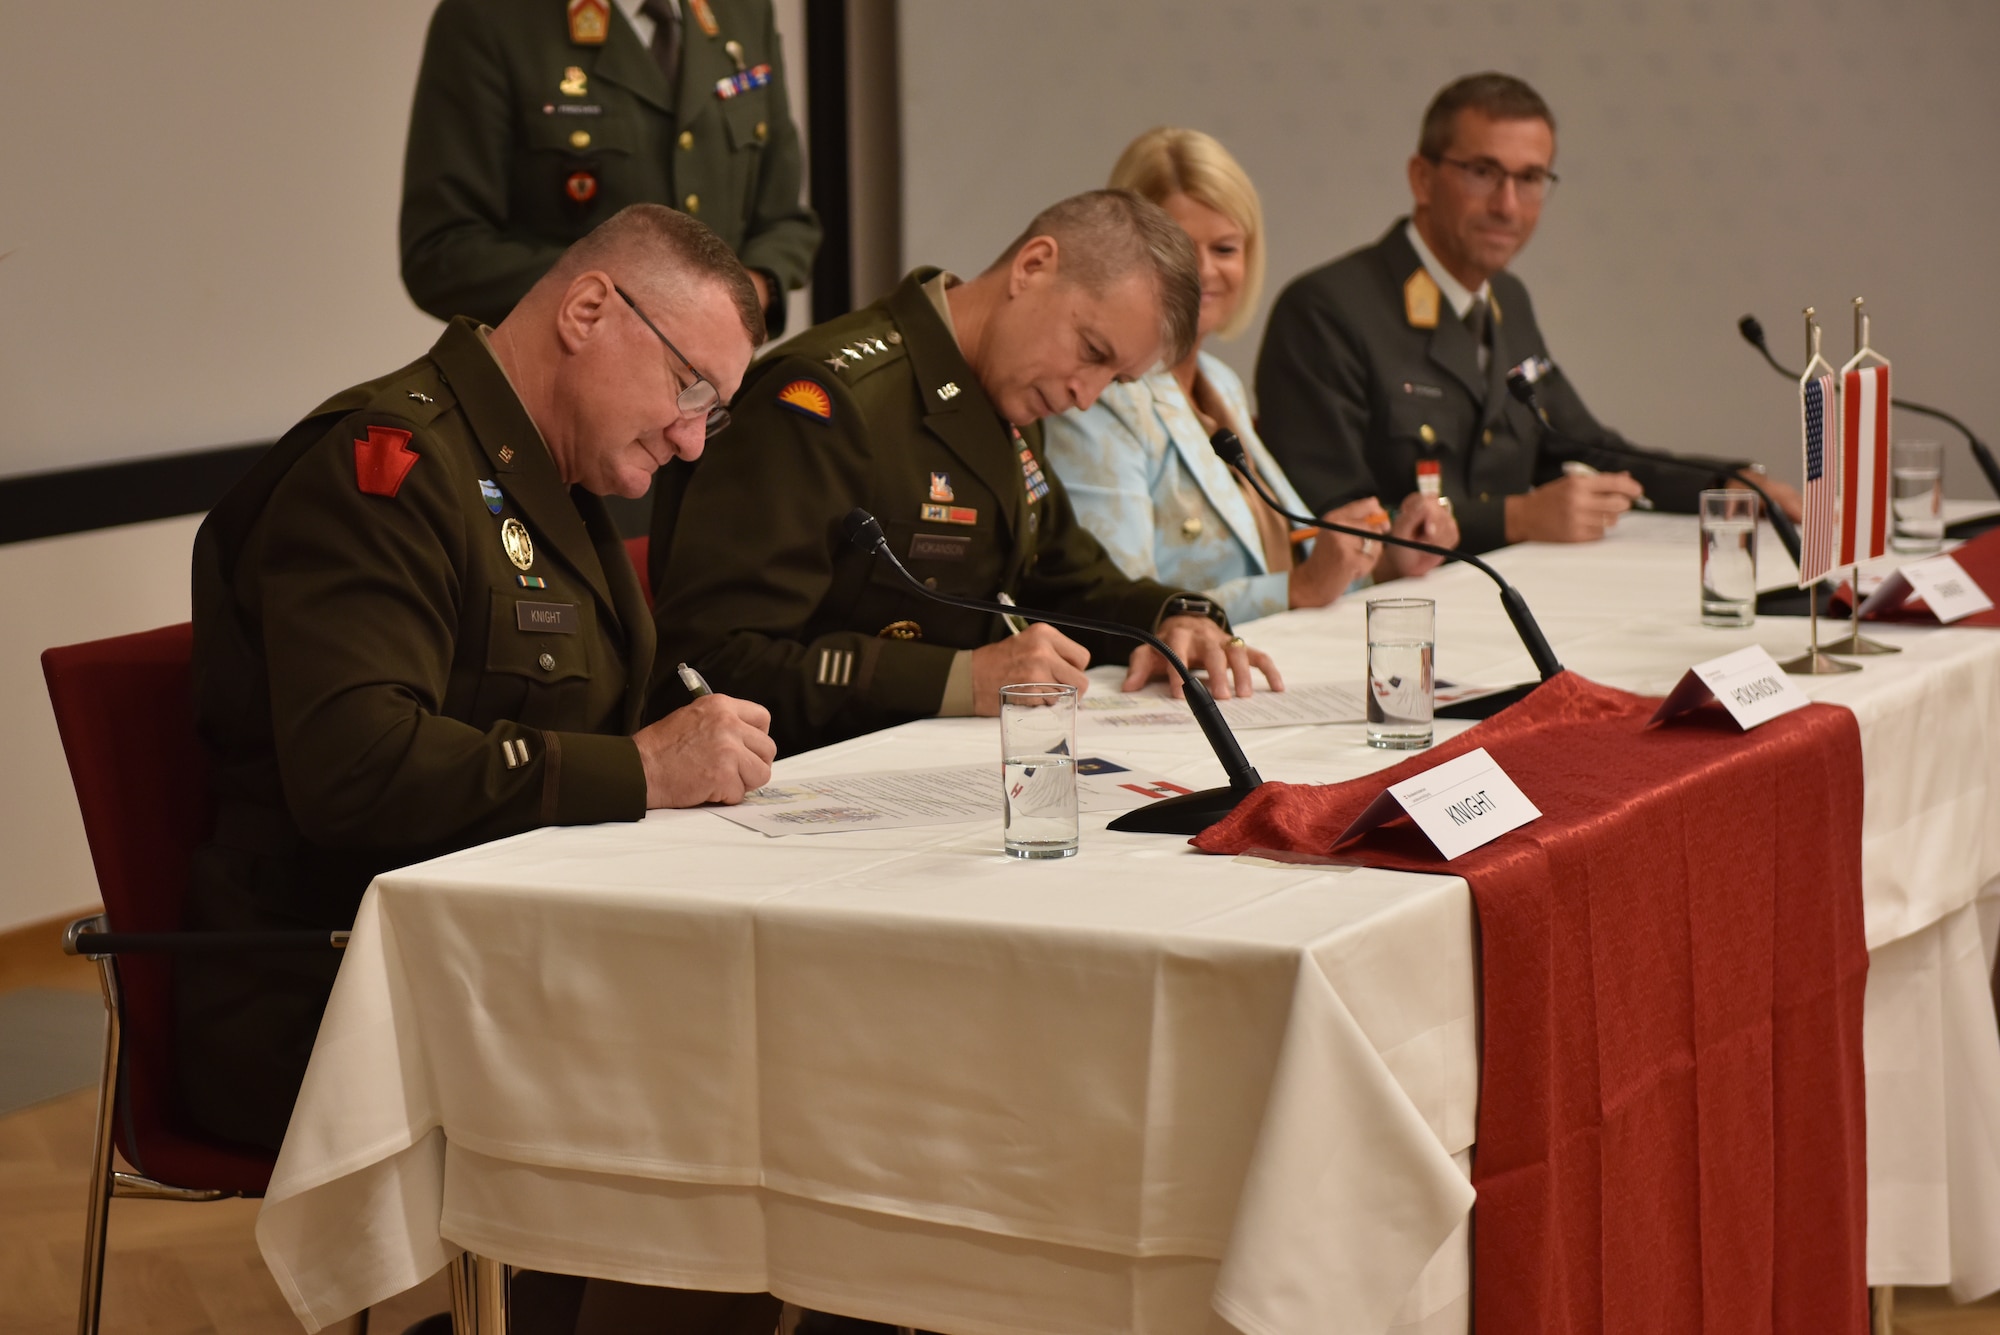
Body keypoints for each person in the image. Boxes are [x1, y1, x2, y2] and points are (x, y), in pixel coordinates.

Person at [179, 205, 775, 1157]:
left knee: (784, 1048)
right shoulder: (386, 467)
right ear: (587, 310)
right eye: (687, 385)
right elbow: (358, 768)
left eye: (713, 407)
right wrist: (642, 770)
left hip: (507, 955)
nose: (692, 437)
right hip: (336, 987)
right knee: (735, 1096)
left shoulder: (556, 481)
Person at [647, 189, 1283, 756]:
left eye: (1113, 378)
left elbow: (1066, 581)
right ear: (1034, 267)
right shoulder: (825, 397)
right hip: (796, 785)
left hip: (933, 766)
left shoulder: (1009, 391)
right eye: (1091, 352)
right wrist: (962, 677)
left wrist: (1177, 617)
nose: (1085, 395)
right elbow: (716, 660)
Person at [1255, 72, 1802, 554]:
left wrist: (1727, 484)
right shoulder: (1327, 310)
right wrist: (1516, 518)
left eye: (1530, 178)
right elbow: (1331, 517)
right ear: (1422, 178)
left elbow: (1586, 446)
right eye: (1483, 172)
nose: (1508, 206)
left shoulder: (1506, 300)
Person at [1042, 128, 1458, 624]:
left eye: (1224, 248)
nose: (1202, 272)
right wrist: (1298, 588)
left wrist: (1388, 556)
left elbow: (1284, 557)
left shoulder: (1221, 384)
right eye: (1177, 247)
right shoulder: (1097, 399)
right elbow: (1115, 608)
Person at [401, 0, 819, 337]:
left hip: (715, 407)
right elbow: (442, 255)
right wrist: (631, 296)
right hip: (557, 410)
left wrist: (750, 289)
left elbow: (785, 223)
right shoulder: (488, 17)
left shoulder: (745, 11)